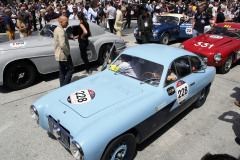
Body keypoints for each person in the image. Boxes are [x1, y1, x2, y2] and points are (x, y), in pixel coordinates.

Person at [54, 16, 74, 87]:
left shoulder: (57, 29)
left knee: (62, 71)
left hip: (59, 54)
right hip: (63, 54)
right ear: (61, 22)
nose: (68, 24)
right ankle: (65, 85)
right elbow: (62, 44)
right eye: (66, 22)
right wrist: (68, 52)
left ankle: (62, 86)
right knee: (71, 69)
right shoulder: (60, 31)